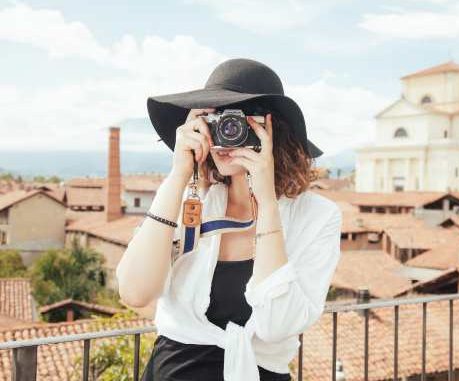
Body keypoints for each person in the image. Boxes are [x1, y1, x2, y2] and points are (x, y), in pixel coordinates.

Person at [116, 58, 342, 381]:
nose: (227, 131)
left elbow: (277, 325)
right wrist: (179, 173)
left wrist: (265, 200)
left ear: (272, 129)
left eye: (238, 120)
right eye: (215, 118)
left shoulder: (318, 217)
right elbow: (135, 291)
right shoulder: (190, 200)